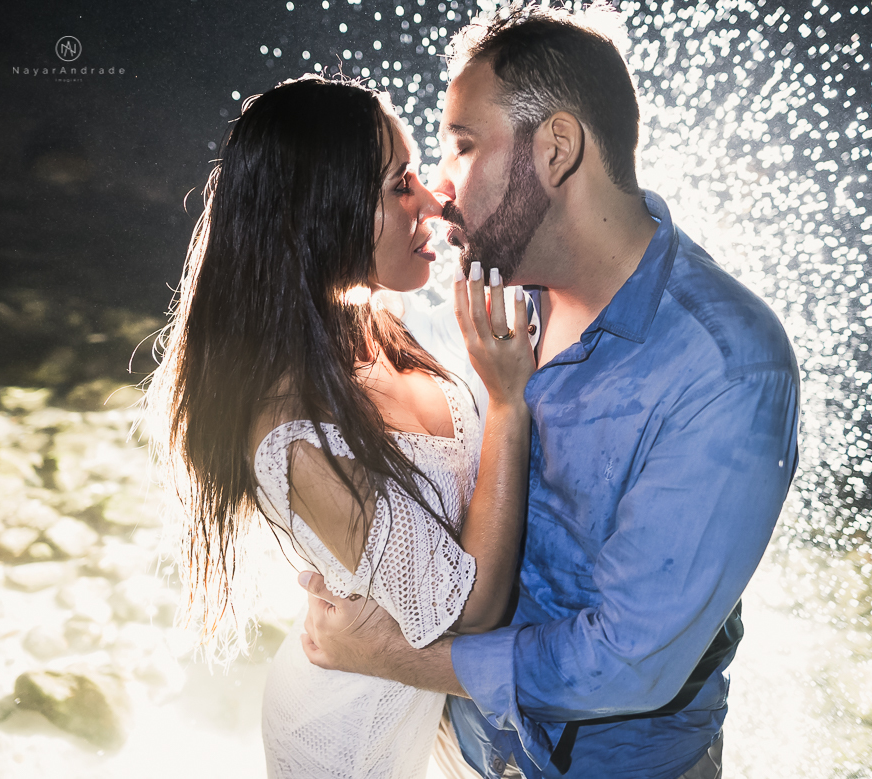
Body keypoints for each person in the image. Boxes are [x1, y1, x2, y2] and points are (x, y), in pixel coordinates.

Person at [297, 5, 802, 779]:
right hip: (453, 745)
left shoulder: (727, 367)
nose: (440, 184)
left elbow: (627, 662)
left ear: (556, 148)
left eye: (464, 144)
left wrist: (399, 655)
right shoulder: (484, 287)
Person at [144, 75, 537, 778]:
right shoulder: (294, 435)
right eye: (400, 185)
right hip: (344, 744)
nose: (435, 200)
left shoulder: (367, 324)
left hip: (418, 714)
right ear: (322, 214)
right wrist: (509, 403)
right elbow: (471, 610)